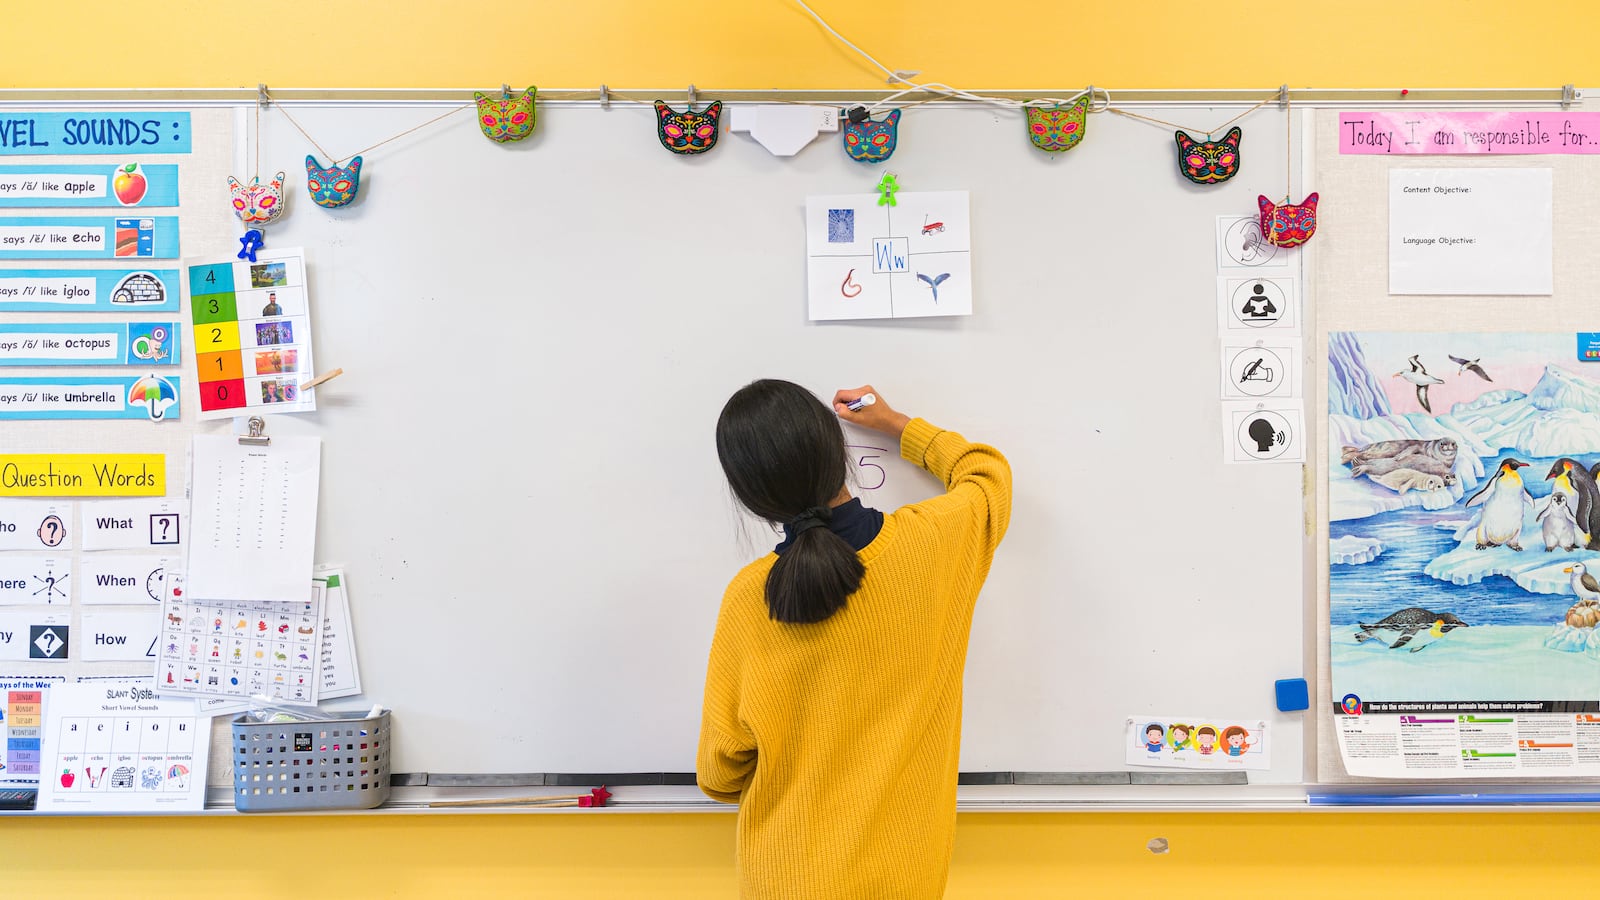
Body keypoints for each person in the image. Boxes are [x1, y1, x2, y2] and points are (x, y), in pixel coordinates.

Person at [698, 379, 1012, 899]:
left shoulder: (749, 598)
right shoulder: (933, 543)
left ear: (749, 497)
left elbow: (720, 770)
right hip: (907, 876)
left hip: (785, 876)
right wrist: (895, 425)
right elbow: (987, 474)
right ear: (836, 450)